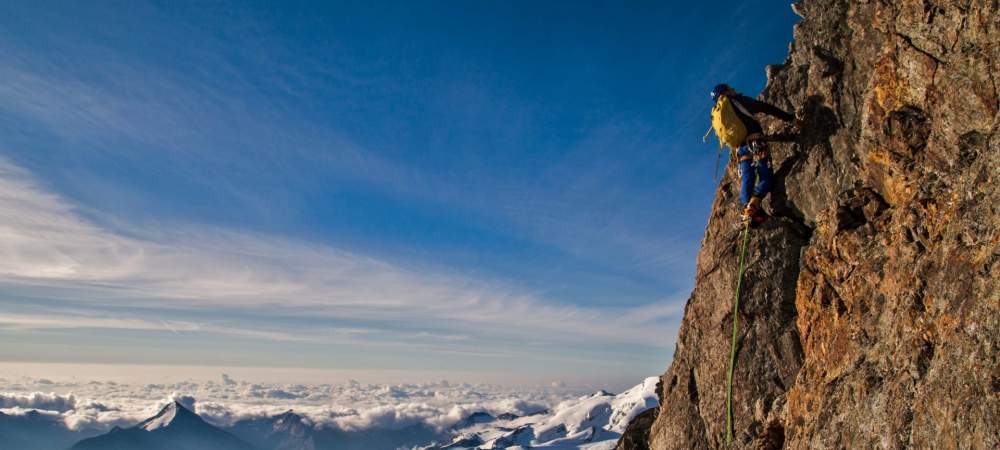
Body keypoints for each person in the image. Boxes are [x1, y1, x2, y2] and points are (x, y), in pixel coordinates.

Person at [709, 84, 798, 227]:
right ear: (726, 91)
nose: (734, 88)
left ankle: (748, 211)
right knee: (766, 178)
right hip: (755, 142)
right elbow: (764, 107)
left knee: (747, 179)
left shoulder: (718, 114)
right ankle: (753, 207)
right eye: (730, 88)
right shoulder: (736, 101)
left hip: (740, 149)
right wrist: (790, 119)